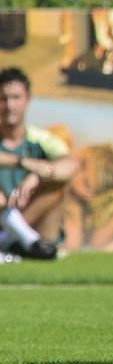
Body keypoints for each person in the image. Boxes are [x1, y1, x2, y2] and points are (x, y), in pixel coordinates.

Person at [0, 67, 79, 260]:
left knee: (56, 184)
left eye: (16, 98)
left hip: (33, 221)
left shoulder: (40, 139)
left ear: (28, 99)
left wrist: (37, 177)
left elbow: (71, 164)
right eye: (4, 99)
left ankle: (15, 239)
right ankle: (24, 240)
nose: (10, 105)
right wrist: (23, 163)